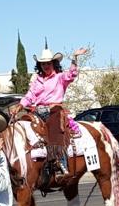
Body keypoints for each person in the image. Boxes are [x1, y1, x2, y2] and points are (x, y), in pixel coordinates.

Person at [9, 44, 89, 176]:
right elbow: (30, 95)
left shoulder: (60, 77)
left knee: (54, 130)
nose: (45, 66)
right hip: (36, 110)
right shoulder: (38, 80)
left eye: (48, 63)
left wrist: (74, 58)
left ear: (54, 63)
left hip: (54, 109)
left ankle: (59, 161)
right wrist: (20, 106)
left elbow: (72, 74)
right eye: (43, 64)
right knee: (21, 125)